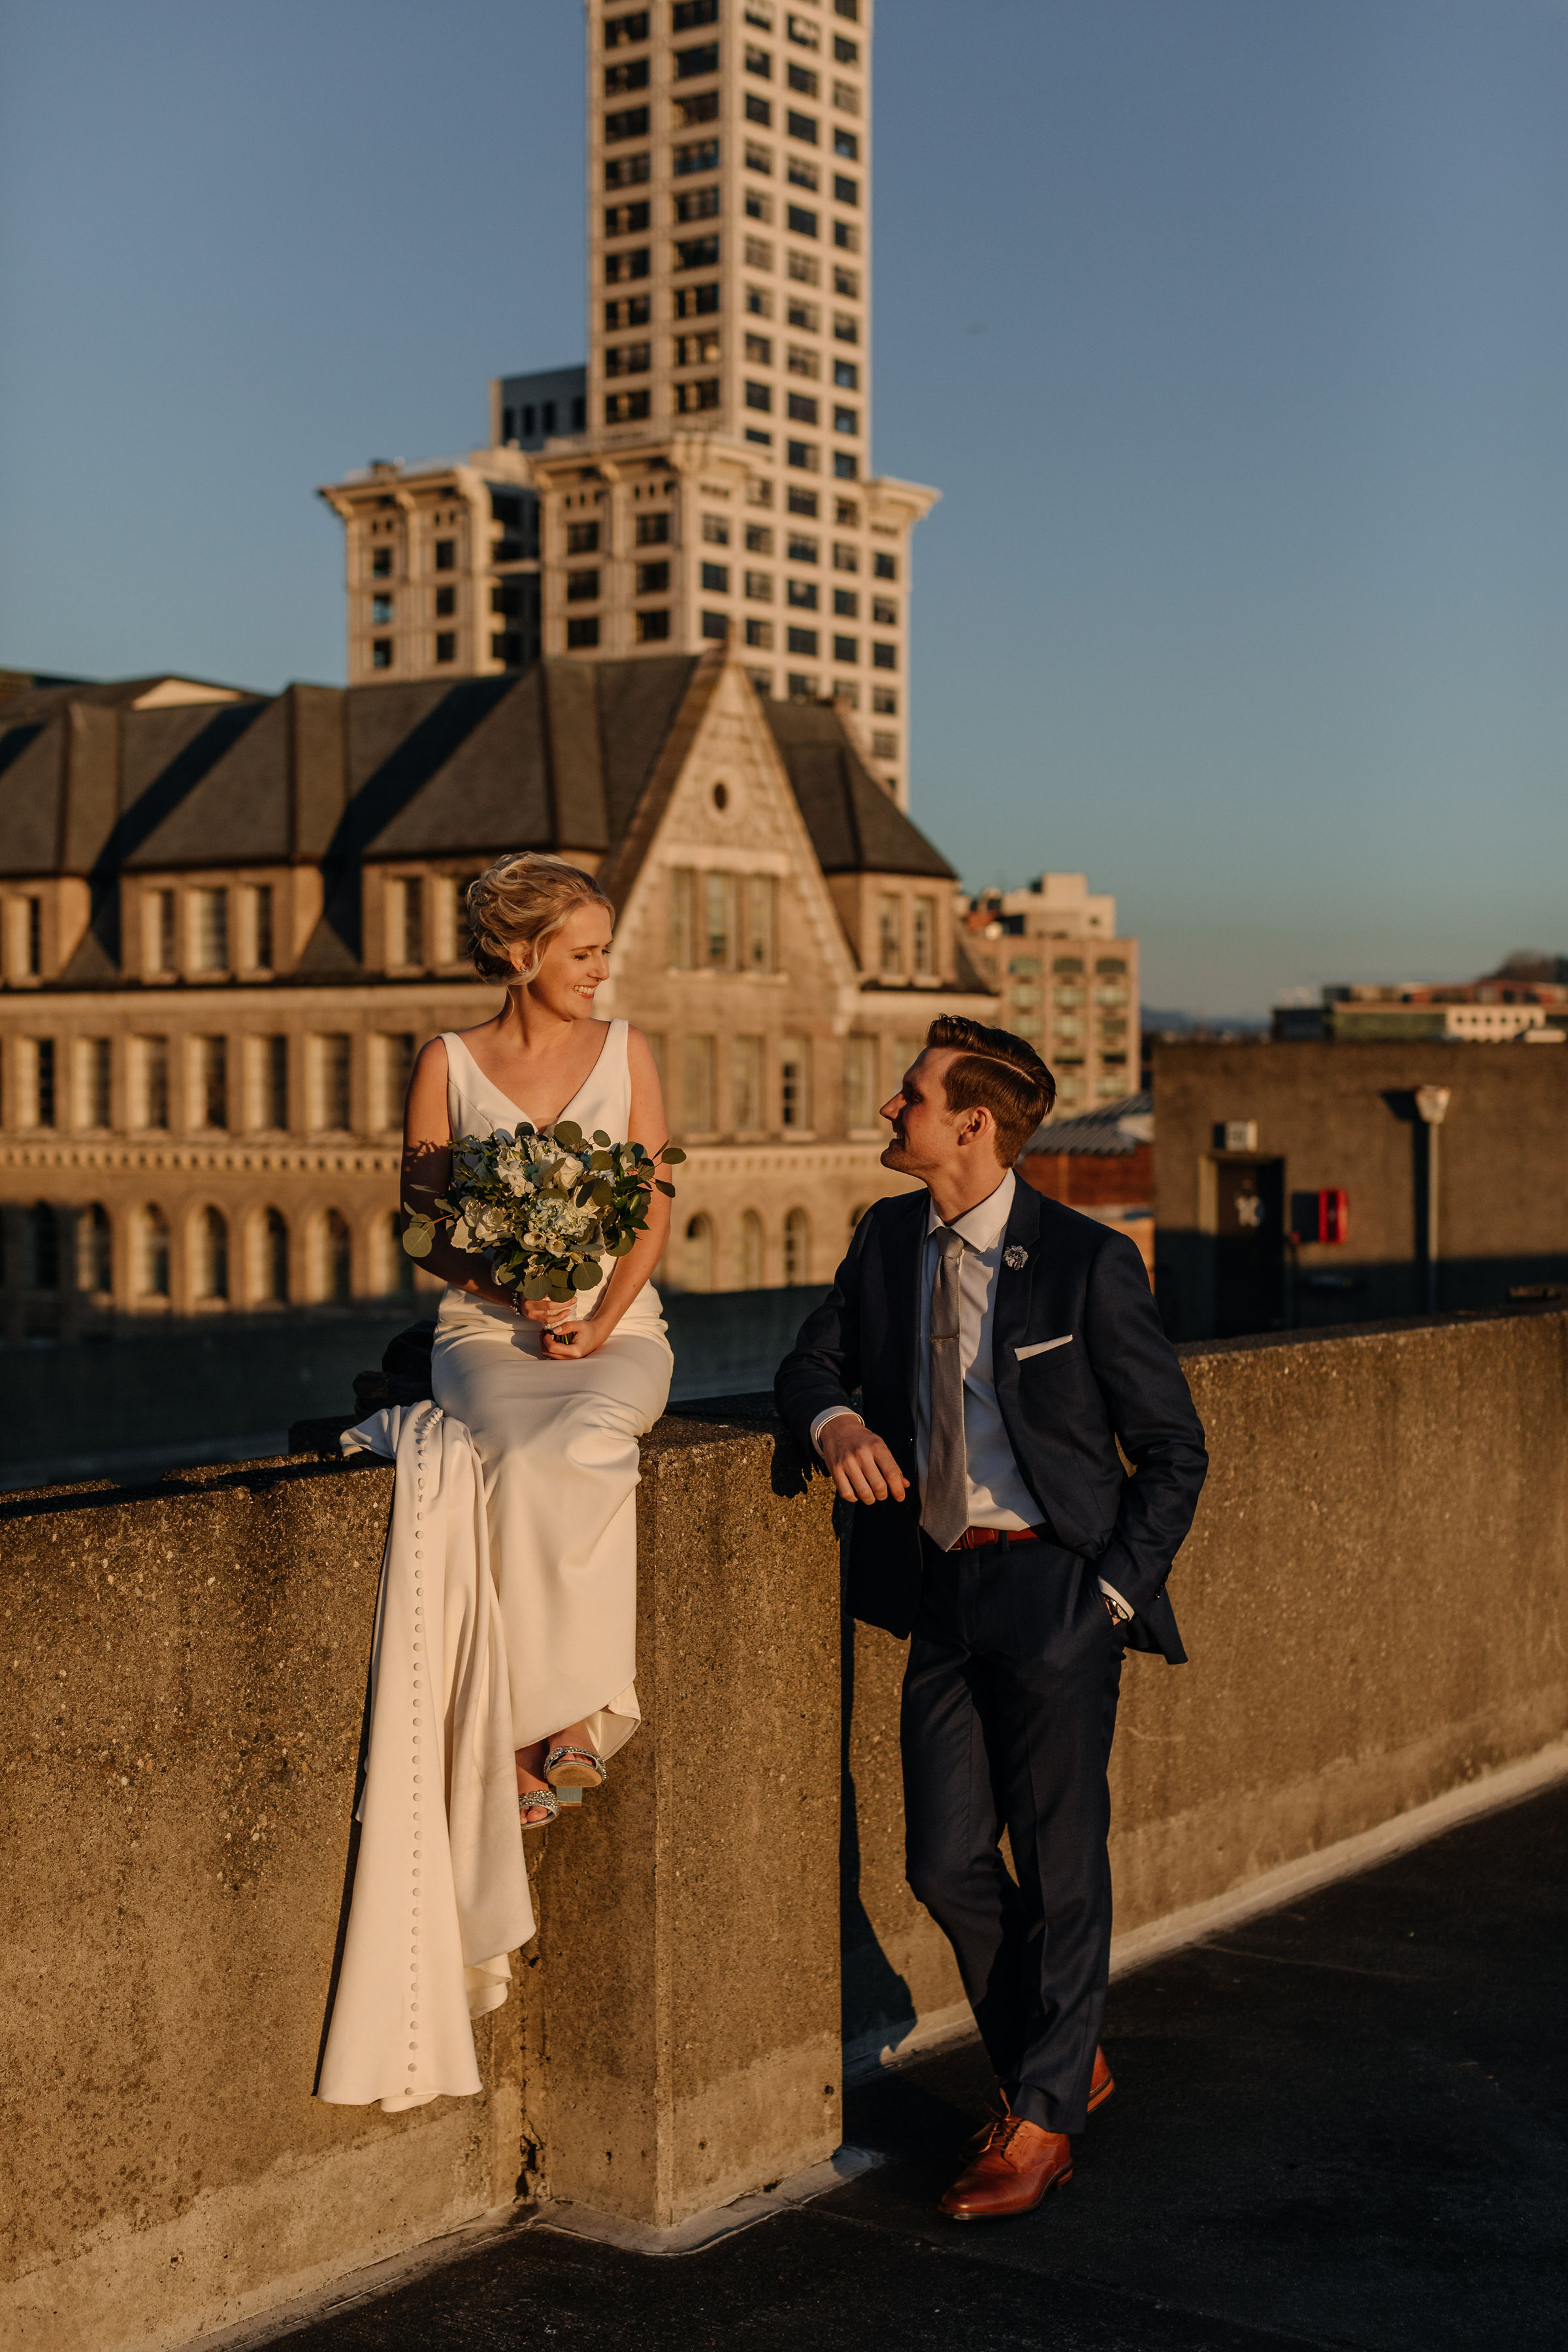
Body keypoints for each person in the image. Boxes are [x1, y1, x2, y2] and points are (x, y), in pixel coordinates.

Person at [776, 1015, 1207, 2219]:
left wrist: (1111, 1593)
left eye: (907, 1097)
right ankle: (1064, 2061)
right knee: (945, 1859)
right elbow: (809, 1365)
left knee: (1061, 1866)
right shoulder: (886, 1240)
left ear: (971, 1123)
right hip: (940, 1589)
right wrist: (838, 1426)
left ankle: (1040, 2122)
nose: (887, 1112)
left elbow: (1174, 1449)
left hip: (1057, 1588)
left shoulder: (1086, 1260)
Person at [400, 853, 674, 1829]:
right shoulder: (446, 1060)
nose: (602, 971)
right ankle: (519, 1731)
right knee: (513, 1453)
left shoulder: (627, 1047)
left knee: (591, 1440)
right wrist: (506, 1283)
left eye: (606, 952)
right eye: (585, 952)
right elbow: (423, 1225)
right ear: (522, 953)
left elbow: (653, 1207)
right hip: (486, 1332)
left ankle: (577, 1713)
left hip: (619, 1325)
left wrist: (601, 1317)